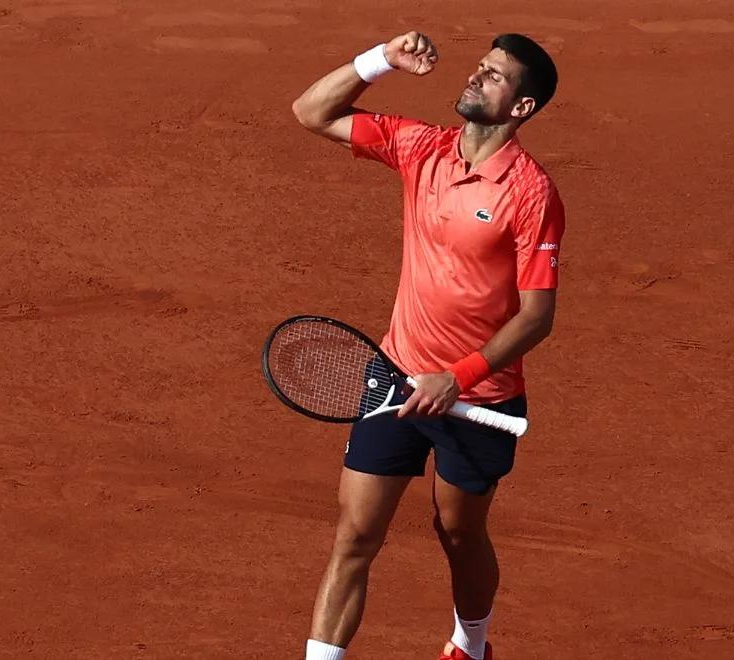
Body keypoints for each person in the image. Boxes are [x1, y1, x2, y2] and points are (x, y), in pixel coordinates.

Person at [290, 30, 565, 660]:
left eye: (495, 76)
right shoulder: (424, 149)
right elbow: (313, 113)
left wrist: (458, 376)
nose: (476, 77)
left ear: (521, 107)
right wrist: (380, 59)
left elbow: (536, 317)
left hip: (478, 397)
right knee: (355, 533)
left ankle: (470, 645)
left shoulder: (530, 193)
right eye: (481, 67)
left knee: (460, 534)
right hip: (395, 373)